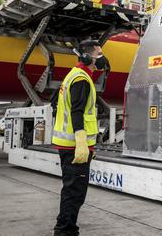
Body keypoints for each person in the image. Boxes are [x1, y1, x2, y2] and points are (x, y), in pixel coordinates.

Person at [52, 40, 108, 236]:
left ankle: (66, 228)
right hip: (75, 146)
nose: (102, 58)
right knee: (74, 193)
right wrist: (81, 142)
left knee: (72, 191)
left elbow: (56, 103)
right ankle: (65, 231)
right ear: (86, 57)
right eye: (98, 54)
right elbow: (76, 112)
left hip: (69, 145)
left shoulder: (73, 76)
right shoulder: (81, 79)